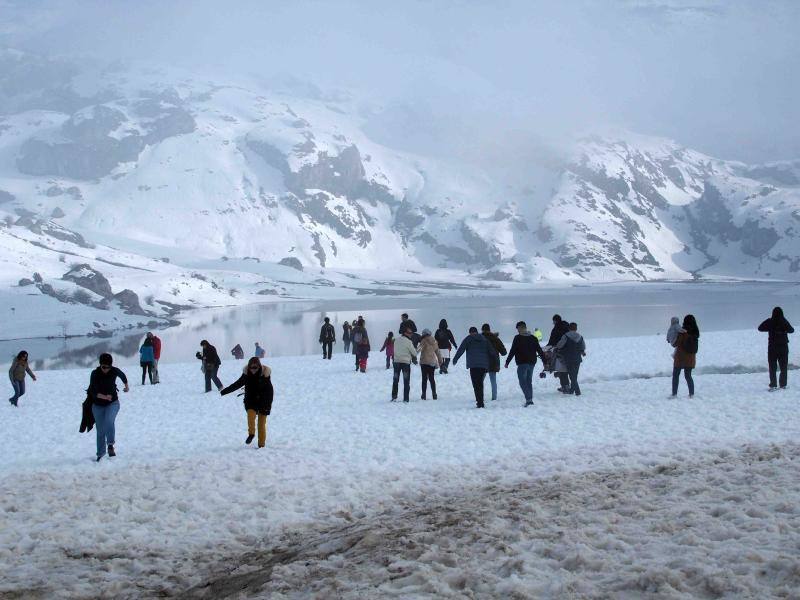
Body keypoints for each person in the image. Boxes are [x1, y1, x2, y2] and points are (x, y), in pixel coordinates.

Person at [220, 357, 274, 448]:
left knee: (261, 425)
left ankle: (261, 445)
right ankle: (251, 434)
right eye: (251, 368)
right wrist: (225, 391)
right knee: (250, 416)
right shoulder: (246, 375)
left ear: (259, 367)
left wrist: (268, 405)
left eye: (255, 368)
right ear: (248, 367)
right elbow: (237, 384)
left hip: (264, 402)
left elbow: (270, 392)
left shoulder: (265, 375)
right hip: (251, 400)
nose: (253, 370)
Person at [87, 353, 129, 461]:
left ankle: (110, 445)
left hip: (113, 403)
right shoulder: (95, 374)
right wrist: (104, 397)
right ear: (100, 365)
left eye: (108, 367)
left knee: (109, 421)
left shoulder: (114, 370)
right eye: (104, 367)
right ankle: (100, 454)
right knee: (100, 430)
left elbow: (122, 376)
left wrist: (126, 386)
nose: (106, 369)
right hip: (97, 406)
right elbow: (92, 391)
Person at [452, 327, 499, 408]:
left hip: (473, 365)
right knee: (480, 383)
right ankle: (481, 402)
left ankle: (479, 402)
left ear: (470, 332)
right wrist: (496, 362)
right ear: (477, 332)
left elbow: (461, 349)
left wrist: (455, 359)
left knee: (475, 384)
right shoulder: (484, 339)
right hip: (483, 365)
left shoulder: (468, 339)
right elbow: (492, 351)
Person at [505, 321, 546, 406]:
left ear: (520, 328)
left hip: (522, 362)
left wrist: (507, 362)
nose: (517, 331)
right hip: (532, 362)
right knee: (528, 381)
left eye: (517, 329)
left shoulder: (517, 338)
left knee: (522, 381)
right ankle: (529, 398)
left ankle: (528, 399)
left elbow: (513, 350)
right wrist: (544, 361)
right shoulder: (533, 338)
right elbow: (540, 350)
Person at [758, 307, 794, 390]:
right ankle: (783, 385)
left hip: (772, 348)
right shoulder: (784, 321)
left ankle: (773, 385)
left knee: (772, 367)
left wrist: (769, 328)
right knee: (783, 367)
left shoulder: (770, 321)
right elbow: (791, 330)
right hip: (783, 348)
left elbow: (760, 328)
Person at [671, 315, 699, 398]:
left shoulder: (683, 332)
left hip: (680, 357)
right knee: (688, 376)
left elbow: (676, 343)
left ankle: (674, 394)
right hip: (690, 358)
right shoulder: (695, 333)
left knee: (676, 375)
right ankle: (691, 394)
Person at [556, 322, 586, 396]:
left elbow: (559, 345)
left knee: (572, 376)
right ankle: (572, 390)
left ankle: (577, 392)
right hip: (578, 359)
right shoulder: (580, 337)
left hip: (568, 358)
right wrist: (582, 352)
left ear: (569, 328)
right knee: (574, 375)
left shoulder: (565, 336)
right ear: (576, 328)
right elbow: (583, 347)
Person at [481, 323, 507, 401]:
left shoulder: (480, 338)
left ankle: (480, 396)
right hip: (494, 361)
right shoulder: (495, 339)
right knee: (493, 380)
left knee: (480, 380)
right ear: (490, 330)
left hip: (482, 362)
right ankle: (494, 397)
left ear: (482, 330)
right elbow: (504, 352)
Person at [392, 326, 418, 402]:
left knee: (395, 380)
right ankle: (406, 398)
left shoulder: (396, 340)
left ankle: (394, 396)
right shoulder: (409, 342)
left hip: (396, 362)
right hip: (405, 363)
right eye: (409, 333)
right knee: (406, 381)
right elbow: (414, 353)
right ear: (405, 333)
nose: (411, 334)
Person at [547, 314, 571, 392]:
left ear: (555, 321)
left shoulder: (556, 328)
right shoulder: (567, 326)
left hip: (559, 351)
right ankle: (566, 385)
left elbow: (552, 340)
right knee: (565, 370)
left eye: (553, 321)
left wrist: (548, 346)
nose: (553, 323)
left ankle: (564, 386)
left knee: (560, 369)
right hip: (569, 351)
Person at [418, 329, 442, 400]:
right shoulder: (435, 341)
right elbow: (438, 352)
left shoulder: (423, 341)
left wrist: (413, 355)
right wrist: (440, 362)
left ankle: (424, 394)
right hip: (432, 362)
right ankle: (434, 394)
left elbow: (419, 349)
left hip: (424, 362)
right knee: (432, 379)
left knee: (424, 379)